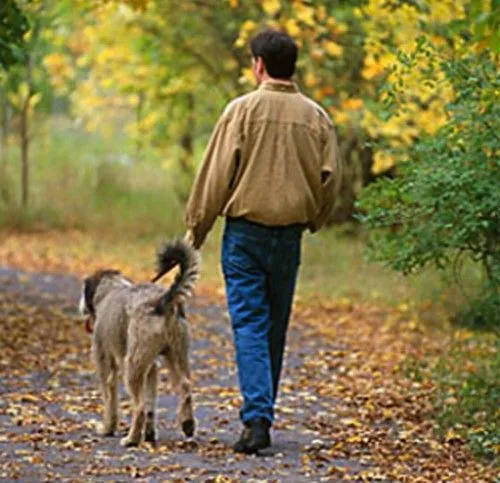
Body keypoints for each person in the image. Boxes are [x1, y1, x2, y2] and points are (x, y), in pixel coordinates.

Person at [184, 29, 342, 454]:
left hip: (245, 236)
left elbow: (215, 176)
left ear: (259, 64)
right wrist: (315, 220)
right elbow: (331, 181)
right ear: (292, 67)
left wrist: (195, 231)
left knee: (250, 323)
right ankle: (262, 412)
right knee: (274, 326)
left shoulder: (241, 111)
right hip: (289, 237)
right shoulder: (316, 117)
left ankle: (257, 418)